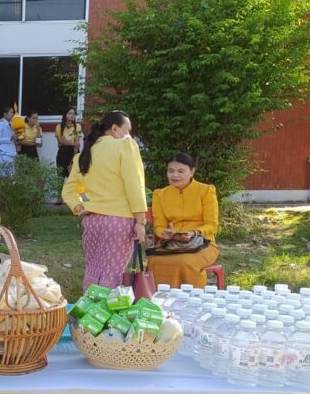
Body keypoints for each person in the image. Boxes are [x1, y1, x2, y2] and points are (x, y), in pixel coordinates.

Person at [62, 110, 148, 292]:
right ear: (115, 128)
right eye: (127, 130)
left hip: (92, 221)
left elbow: (68, 191)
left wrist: (79, 207)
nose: (129, 135)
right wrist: (140, 222)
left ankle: (89, 309)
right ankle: (107, 311)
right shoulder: (125, 146)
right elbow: (135, 185)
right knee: (112, 275)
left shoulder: (84, 155)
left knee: (93, 273)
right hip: (119, 221)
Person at [149, 153, 220, 289]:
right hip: (172, 244)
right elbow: (159, 226)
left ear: (192, 172)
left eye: (181, 171)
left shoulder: (205, 191)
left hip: (203, 243)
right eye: (171, 171)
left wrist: (194, 232)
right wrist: (165, 233)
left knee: (185, 262)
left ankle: (191, 299)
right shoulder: (160, 194)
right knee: (156, 261)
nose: (175, 175)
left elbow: (212, 225)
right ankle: (161, 299)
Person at [54, 107, 82, 178]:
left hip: (74, 152)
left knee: (74, 177)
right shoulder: (59, 126)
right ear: (65, 115)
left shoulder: (78, 126)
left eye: (73, 114)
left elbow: (77, 142)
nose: (72, 115)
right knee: (61, 176)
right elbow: (60, 141)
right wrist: (73, 143)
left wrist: (74, 151)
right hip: (63, 152)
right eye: (70, 113)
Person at [0, 105, 17, 175]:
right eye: (11, 112)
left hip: (11, 153)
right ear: (5, 114)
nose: (12, 114)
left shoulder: (11, 124)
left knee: (11, 175)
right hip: (3, 153)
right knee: (4, 175)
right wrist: (11, 138)